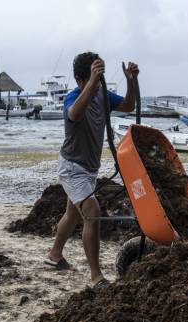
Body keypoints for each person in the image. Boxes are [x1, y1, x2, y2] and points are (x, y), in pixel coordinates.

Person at [45, 52, 139, 289]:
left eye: (99, 77)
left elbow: (128, 106)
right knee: (92, 210)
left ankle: (54, 255)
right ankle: (96, 277)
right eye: (92, 78)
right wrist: (91, 83)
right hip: (72, 167)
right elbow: (74, 114)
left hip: (89, 168)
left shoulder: (102, 94)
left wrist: (131, 80)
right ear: (79, 79)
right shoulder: (73, 97)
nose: (97, 83)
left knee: (73, 214)